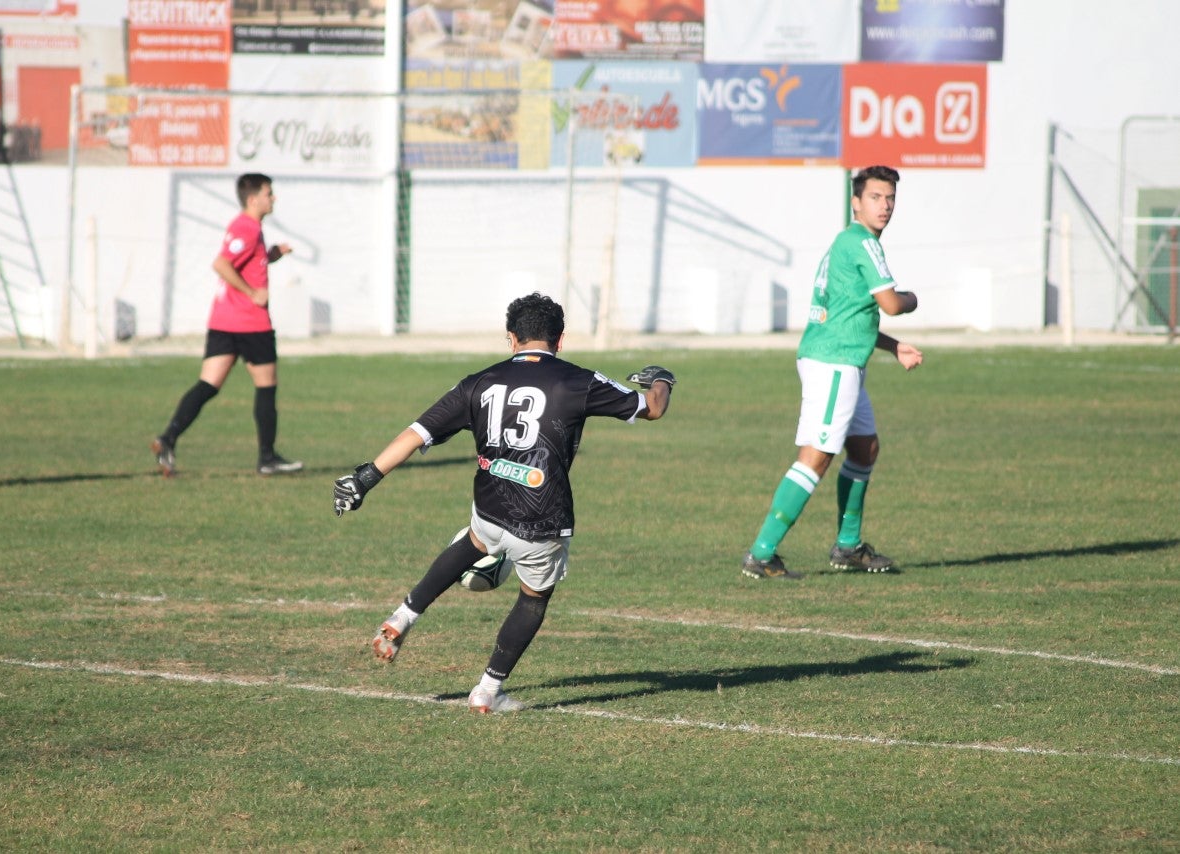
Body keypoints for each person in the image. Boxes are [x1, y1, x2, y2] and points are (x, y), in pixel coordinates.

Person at [333, 292, 673, 713]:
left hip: (490, 505)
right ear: (560, 340)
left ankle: (403, 617)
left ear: (511, 339)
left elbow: (416, 434)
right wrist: (662, 379)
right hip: (541, 518)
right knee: (533, 598)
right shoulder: (579, 380)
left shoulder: (478, 381)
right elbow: (653, 408)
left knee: (474, 541)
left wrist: (365, 479)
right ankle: (487, 691)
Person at [742, 164, 922, 580]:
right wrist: (912, 298)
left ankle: (848, 545)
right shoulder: (863, 244)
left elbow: (850, 315)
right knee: (817, 456)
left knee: (865, 448)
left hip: (840, 359)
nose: (885, 205)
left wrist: (893, 347)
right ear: (856, 202)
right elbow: (891, 304)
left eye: (890, 197)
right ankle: (762, 552)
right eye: (876, 197)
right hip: (834, 365)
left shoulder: (844, 243)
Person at [151, 173, 303, 477]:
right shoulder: (246, 227)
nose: (273, 198)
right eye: (268, 193)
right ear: (253, 199)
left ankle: (168, 438)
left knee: (208, 385)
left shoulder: (248, 228)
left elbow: (244, 264)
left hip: (223, 321)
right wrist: (252, 293)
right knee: (266, 387)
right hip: (250, 322)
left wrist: (271, 256)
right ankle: (267, 457)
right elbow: (221, 264)